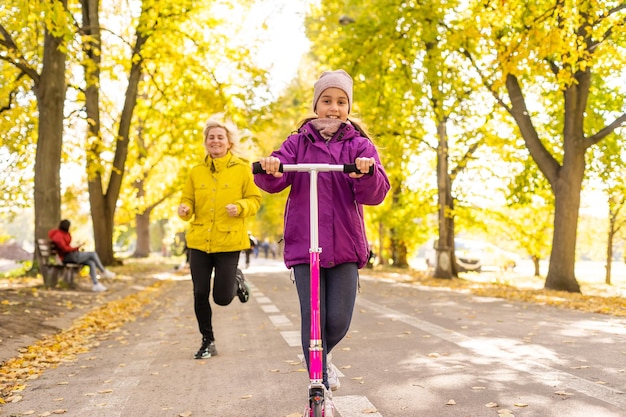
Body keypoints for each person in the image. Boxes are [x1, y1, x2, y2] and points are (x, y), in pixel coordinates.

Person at [254, 69, 390, 415]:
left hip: (345, 245)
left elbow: (377, 193)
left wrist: (366, 171)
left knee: (336, 320)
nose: (333, 108)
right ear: (316, 105)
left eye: (341, 102)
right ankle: (319, 386)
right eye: (326, 101)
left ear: (348, 107)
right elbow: (273, 179)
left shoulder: (360, 145)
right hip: (305, 245)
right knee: (312, 317)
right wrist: (271, 166)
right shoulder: (298, 142)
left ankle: (324, 360)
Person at [178, 118, 261, 360]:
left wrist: (241, 206)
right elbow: (187, 201)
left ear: (229, 142)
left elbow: (255, 199)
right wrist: (184, 209)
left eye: (220, 137)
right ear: (205, 142)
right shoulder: (196, 172)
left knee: (222, 298)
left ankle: (236, 279)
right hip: (199, 242)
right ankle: (208, 340)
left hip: (229, 241)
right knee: (200, 292)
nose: (215, 140)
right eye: (211, 137)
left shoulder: (242, 169)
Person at [48, 219, 115, 292]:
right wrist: (75, 248)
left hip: (71, 255)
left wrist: (76, 247)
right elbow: (64, 249)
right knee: (92, 254)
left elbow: (67, 247)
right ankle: (103, 271)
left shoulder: (64, 234)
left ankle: (96, 284)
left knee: (91, 262)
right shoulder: (58, 236)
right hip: (67, 257)